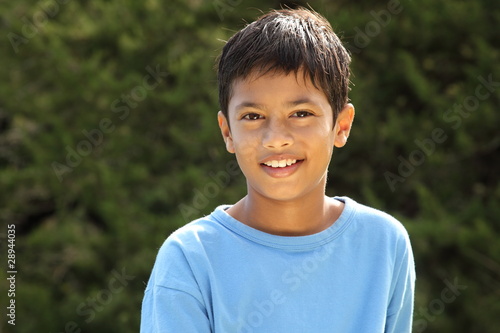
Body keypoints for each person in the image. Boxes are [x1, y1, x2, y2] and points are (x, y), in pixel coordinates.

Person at [141, 7, 415, 333]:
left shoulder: (384, 244)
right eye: (253, 116)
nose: (276, 140)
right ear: (227, 131)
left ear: (341, 126)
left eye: (300, 113)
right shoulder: (190, 259)